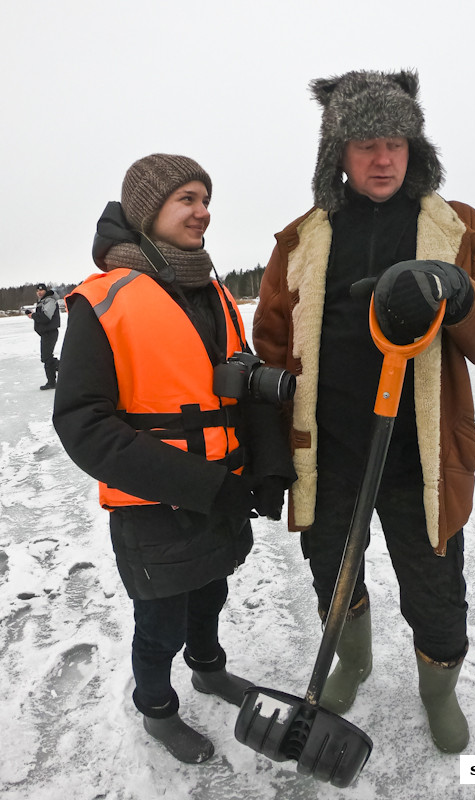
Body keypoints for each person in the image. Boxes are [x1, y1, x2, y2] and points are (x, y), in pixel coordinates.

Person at [252, 70, 475, 753]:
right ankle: (352, 659)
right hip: (329, 457)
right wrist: (268, 453)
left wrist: (459, 293)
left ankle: (438, 690)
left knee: (437, 593)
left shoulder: (459, 229)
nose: (383, 158)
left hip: (421, 458)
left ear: (416, 149)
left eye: (397, 142)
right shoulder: (299, 240)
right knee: (335, 578)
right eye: (365, 144)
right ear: (337, 154)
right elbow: (270, 347)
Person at [53, 154, 296, 764]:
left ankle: (209, 671)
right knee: (160, 622)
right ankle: (157, 709)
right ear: (147, 210)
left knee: (210, 593)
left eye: (205, 198)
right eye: (186, 198)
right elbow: (84, 426)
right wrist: (202, 485)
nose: (203, 211)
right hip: (155, 505)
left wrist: (267, 468)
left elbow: (242, 382)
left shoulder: (210, 288)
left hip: (221, 489)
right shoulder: (100, 301)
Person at [26, 283, 60, 389]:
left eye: (41, 290)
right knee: (46, 358)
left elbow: (46, 317)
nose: (39, 292)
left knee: (47, 358)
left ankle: (66, 368)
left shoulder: (49, 300)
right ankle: (51, 382)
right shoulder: (42, 302)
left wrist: (33, 315)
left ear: (45, 291)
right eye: (37, 291)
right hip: (46, 333)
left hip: (50, 332)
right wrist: (33, 314)